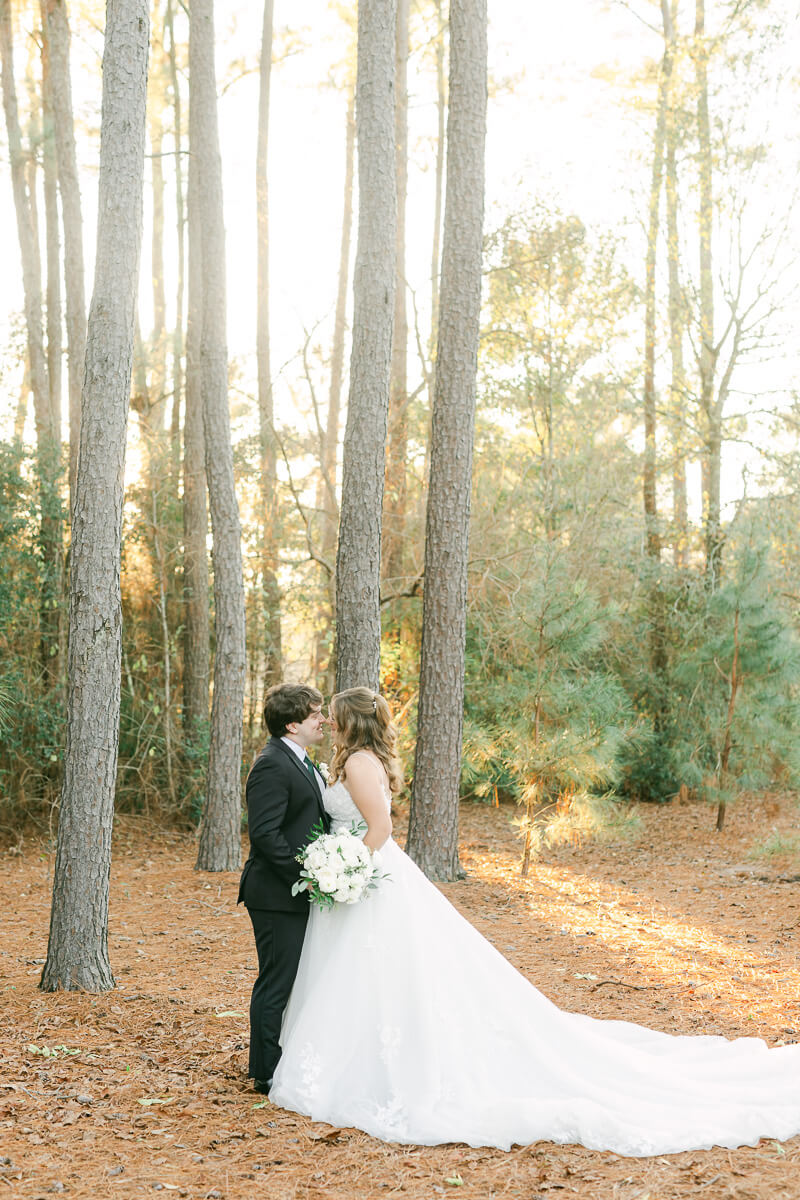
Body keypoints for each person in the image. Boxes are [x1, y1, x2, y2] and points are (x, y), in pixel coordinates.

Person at [268, 686, 800, 1155]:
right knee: (369, 972)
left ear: (350, 721)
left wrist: (347, 870)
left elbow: (379, 827)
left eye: (334, 714)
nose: (328, 720)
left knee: (383, 967)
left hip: (369, 874)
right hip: (362, 875)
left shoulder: (360, 762)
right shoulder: (351, 759)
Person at [237, 683, 329, 1092]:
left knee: (291, 979)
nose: (322, 719)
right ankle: (265, 1071)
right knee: (276, 981)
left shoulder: (303, 760)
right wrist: (305, 875)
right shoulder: (272, 764)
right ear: (292, 725)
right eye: (315, 715)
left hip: (299, 891)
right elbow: (265, 834)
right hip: (276, 895)